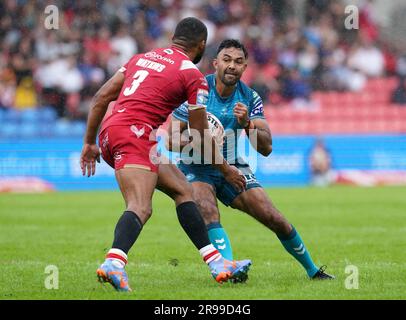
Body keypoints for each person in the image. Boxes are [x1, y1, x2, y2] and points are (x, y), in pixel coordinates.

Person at [79, 18, 251, 292]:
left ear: (174, 38)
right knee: (140, 206)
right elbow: (199, 135)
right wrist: (226, 170)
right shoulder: (193, 76)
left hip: (116, 133)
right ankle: (113, 262)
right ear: (202, 46)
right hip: (135, 135)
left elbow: (101, 97)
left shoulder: (141, 59)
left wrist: (89, 143)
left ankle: (217, 262)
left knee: (184, 189)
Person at [167, 39, 334, 280]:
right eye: (226, 60)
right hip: (196, 165)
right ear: (215, 63)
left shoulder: (250, 98)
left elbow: (266, 148)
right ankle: (228, 269)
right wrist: (194, 141)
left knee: (273, 217)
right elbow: (170, 139)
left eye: (238, 62)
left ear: (245, 67)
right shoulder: (197, 90)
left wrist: (248, 124)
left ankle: (312, 270)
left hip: (233, 164)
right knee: (207, 208)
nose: (232, 66)